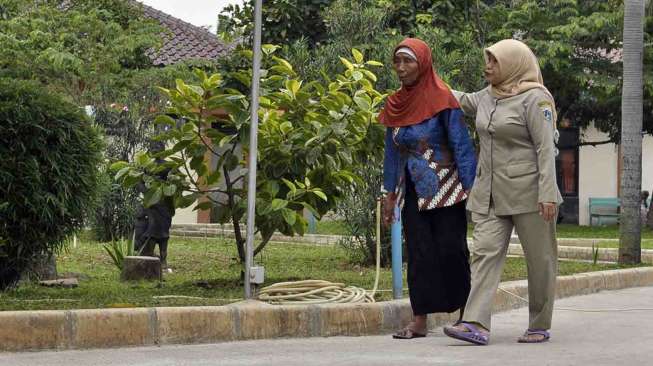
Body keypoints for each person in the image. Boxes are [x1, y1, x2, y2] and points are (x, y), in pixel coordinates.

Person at [443, 39, 563, 345]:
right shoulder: (488, 95)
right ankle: (475, 324)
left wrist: (548, 193)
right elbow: (461, 100)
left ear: (513, 64)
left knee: (540, 260)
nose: (488, 66)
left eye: (494, 61)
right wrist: (428, 81)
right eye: (488, 60)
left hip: (530, 194)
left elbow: (545, 148)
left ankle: (539, 323)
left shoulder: (536, 99)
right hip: (491, 193)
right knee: (483, 253)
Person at [380, 38, 477, 339]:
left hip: (447, 190)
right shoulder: (394, 104)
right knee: (419, 254)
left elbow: (462, 145)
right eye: (397, 61)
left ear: (422, 63)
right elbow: (392, 153)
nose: (401, 67)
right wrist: (389, 195)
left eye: (407, 61)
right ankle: (419, 319)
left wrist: (472, 189)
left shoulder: (443, 98)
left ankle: (466, 316)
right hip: (413, 192)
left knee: (452, 251)